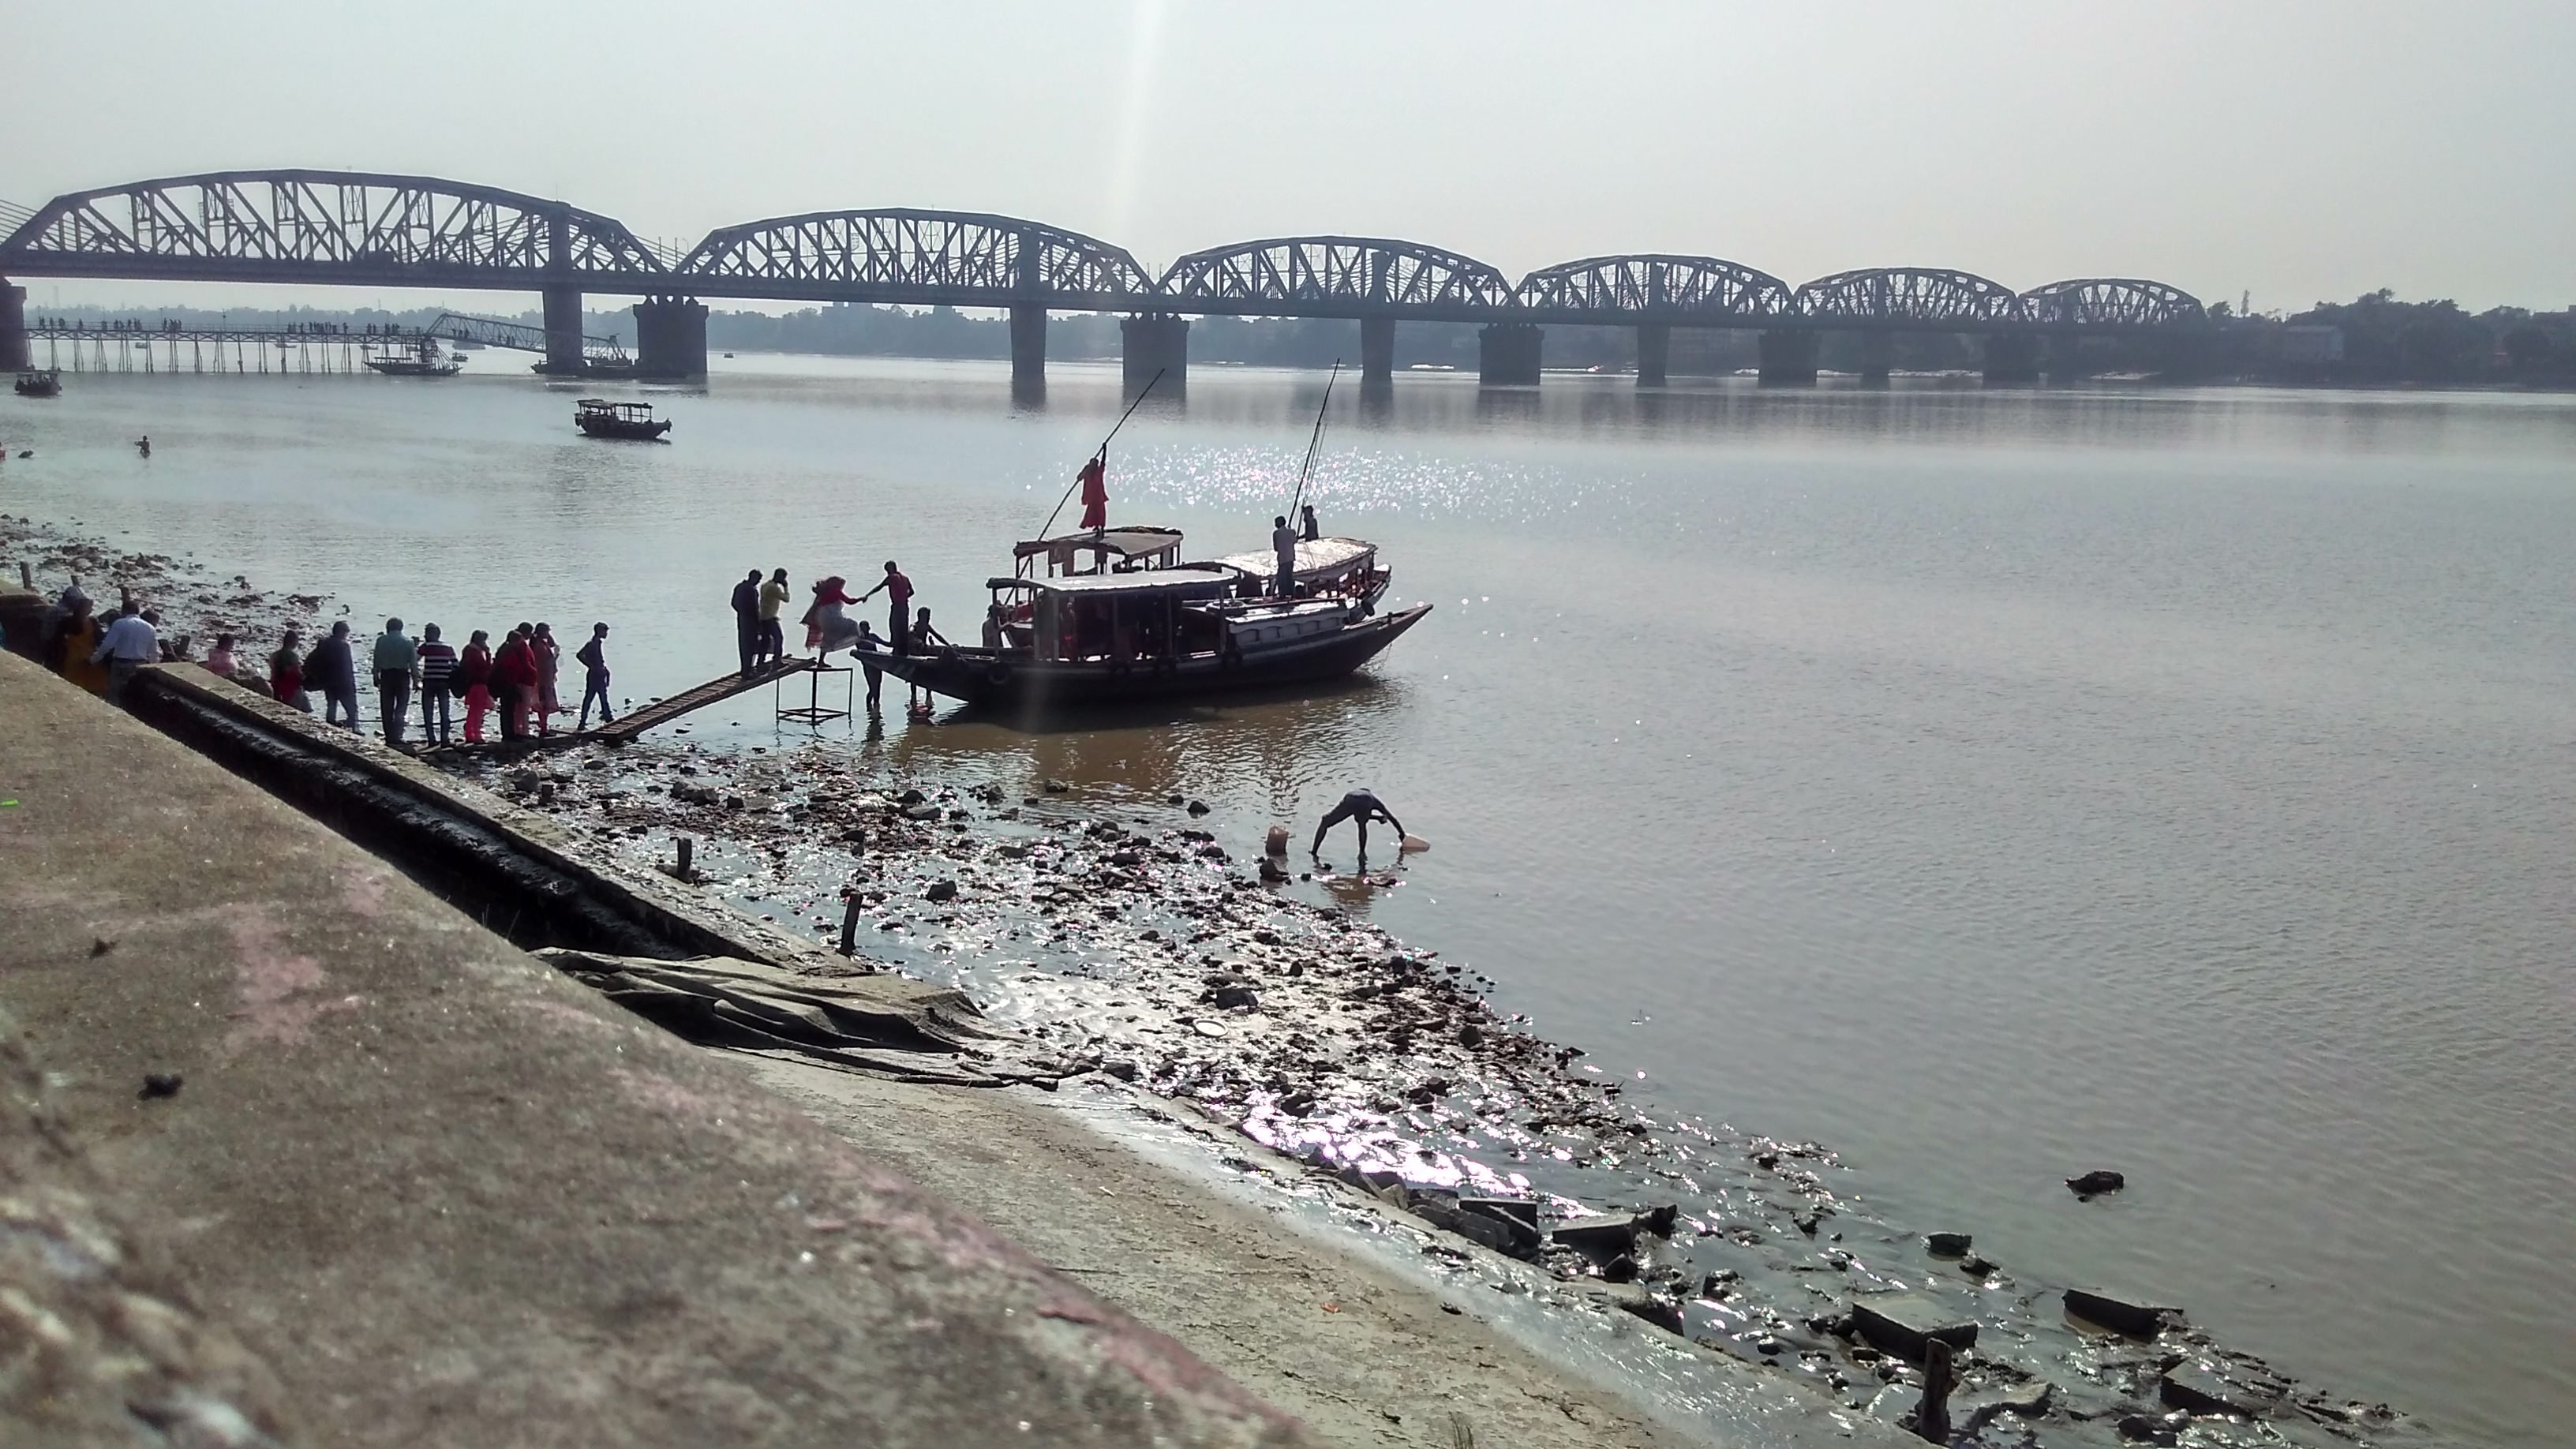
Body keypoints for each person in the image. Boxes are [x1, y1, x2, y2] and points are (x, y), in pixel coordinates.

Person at [1310, 788, 1405, 862]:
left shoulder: (1354, 793)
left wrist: (1378, 818)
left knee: (1325, 821)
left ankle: (1314, 851)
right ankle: (1362, 853)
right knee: (1362, 824)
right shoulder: (1373, 799)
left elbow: (1355, 813)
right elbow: (1391, 818)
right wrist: (1402, 834)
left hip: (1349, 799)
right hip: (1366, 803)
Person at [91, 606, 160, 703]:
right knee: (132, 694)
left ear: (124, 611)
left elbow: (108, 645)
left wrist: (94, 659)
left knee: (114, 694)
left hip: (120, 663)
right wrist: (154, 667)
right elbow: (154, 652)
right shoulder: (150, 628)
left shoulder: (119, 623)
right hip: (139, 665)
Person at [307, 621, 359, 728]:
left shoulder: (323, 643)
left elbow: (312, 659)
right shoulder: (344, 646)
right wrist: (351, 684)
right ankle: (354, 727)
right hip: (342, 682)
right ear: (341, 632)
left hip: (327, 681)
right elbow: (347, 667)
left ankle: (330, 724)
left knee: (331, 705)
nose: (346, 637)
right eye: (346, 634)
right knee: (351, 708)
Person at [373, 617, 417, 744]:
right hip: (402, 676)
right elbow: (413, 663)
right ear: (401, 628)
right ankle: (397, 734)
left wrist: (376, 676)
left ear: (388, 628)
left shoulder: (381, 641)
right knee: (401, 706)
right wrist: (415, 680)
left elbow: (376, 660)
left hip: (386, 675)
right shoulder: (408, 642)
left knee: (386, 706)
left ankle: (389, 735)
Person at [493, 623, 539, 742]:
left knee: (511, 709)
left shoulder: (507, 648)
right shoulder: (514, 649)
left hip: (512, 681)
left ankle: (514, 732)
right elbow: (519, 665)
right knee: (516, 708)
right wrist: (533, 672)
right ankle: (517, 733)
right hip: (513, 682)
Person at [415, 623, 458, 744]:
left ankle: (431, 739)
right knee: (444, 711)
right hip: (444, 683)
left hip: (429, 682)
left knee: (428, 711)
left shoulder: (426, 647)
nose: (425, 635)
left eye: (426, 633)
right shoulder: (448, 647)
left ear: (430, 634)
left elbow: (414, 660)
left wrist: (417, 675)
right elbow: (456, 666)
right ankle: (445, 739)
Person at [860, 560, 913, 655]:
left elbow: (879, 587)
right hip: (905, 606)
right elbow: (912, 592)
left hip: (897, 606)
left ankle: (896, 650)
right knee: (903, 628)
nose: (887, 573)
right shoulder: (905, 578)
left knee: (894, 627)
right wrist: (904, 597)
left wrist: (867, 595)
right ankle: (904, 651)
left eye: (887, 571)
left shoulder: (891, 577)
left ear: (890, 569)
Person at [801, 575, 862, 656]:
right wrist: (861, 599)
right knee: (853, 626)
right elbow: (850, 601)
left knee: (827, 638)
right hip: (831, 617)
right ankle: (861, 648)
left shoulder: (824, 593)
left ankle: (821, 662)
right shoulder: (836, 591)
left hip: (821, 618)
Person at [575, 622, 614, 728]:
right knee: (594, 698)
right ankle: (606, 719)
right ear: (600, 631)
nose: (606, 634)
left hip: (599, 673)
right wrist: (591, 666)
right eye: (605, 631)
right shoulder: (592, 644)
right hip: (595, 675)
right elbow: (579, 655)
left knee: (599, 697)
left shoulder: (597, 643)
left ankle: (605, 718)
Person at [459, 630, 494, 743]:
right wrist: (488, 654)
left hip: (471, 683)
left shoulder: (468, 649)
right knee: (478, 710)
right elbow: (485, 667)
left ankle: (470, 733)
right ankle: (476, 734)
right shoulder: (475, 652)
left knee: (474, 710)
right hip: (478, 683)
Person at [269, 627, 311, 712]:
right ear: (293, 641)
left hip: (277, 686)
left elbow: (273, 670)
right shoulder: (293, 656)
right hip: (292, 688)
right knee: (302, 710)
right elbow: (298, 673)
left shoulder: (274, 655)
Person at [730, 568, 762, 676]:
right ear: (754, 578)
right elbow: (755, 609)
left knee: (743, 645)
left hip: (742, 620)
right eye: (758, 580)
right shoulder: (752, 590)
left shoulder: (739, 587)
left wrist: (741, 612)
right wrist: (759, 624)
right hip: (751, 622)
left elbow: (733, 603)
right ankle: (748, 670)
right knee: (751, 646)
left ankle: (745, 669)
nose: (758, 582)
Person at [532, 623, 562, 736]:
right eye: (547, 631)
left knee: (544, 703)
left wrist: (549, 637)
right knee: (544, 704)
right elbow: (545, 662)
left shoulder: (542, 643)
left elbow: (552, 644)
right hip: (543, 679)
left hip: (546, 678)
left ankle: (544, 726)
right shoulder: (539, 646)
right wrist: (555, 656)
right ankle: (543, 728)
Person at [758, 568, 791, 668]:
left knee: (765, 641)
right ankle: (777, 661)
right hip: (770, 618)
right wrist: (786, 587)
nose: (784, 580)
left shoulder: (765, 585)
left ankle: (760, 662)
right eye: (784, 578)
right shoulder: (774, 588)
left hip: (763, 617)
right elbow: (786, 599)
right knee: (779, 638)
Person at [853, 620, 884, 712]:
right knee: (872, 688)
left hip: (878, 666)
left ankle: (876, 709)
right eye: (862, 628)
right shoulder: (858, 640)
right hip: (868, 667)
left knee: (878, 687)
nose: (865, 630)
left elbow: (886, 643)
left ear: (869, 628)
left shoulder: (873, 637)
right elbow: (861, 650)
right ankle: (868, 708)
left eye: (866, 627)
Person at [1271, 515, 1299, 598]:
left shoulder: (1276, 533)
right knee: (1290, 577)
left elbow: (1276, 548)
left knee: (1282, 579)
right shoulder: (1292, 532)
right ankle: (1292, 593)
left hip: (1282, 559)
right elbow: (1295, 540)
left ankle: (1282, 594)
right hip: (1291, 558)